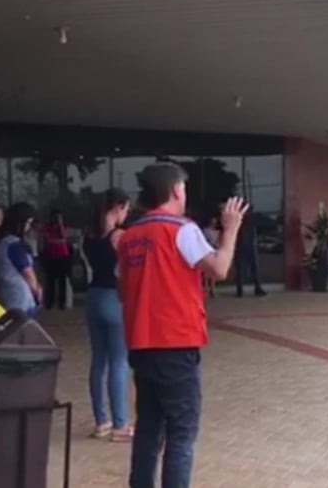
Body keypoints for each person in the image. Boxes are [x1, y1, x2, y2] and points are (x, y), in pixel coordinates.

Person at [117, 162, 248, 488]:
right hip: (175, 344)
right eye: (184, 189)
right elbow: (218, 269)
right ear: (176, 190)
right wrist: (230, 231)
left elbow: (124, 288)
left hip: (141, 345)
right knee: (181, 431)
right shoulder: (181, 230)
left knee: (148, 427)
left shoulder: (130, 237)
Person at [82, 188, 133, 442]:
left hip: (93, 297)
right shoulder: (119, 236)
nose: (127, 213)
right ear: (118, 207)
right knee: (119, 362)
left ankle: (102, 421)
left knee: (99, 361)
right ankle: (121, 424)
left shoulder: (89, 236)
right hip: (115, 298)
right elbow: (127, 271)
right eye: (126, 208)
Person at [0, 202, 42, 317]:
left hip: (8, 298)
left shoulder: (2, 242)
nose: (28, 227)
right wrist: (37, 290)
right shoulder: (13, 244)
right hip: (21, 300)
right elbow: (28, 273)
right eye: (28, 223)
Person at [40, 208, 72, 310]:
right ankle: (49, 303)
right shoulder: (47, 227)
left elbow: (64, 237)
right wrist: (58, 241)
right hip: (51, 256)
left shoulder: (64, 227)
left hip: (63, 256)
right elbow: (47, 240)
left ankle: (62, 304)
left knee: (62, 281)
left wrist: (61, 224)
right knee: (51, 281)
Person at [234, 209, 266, 297]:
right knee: (243, 269)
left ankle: (254, 288)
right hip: (243, 246)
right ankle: (242, 289)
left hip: (246, 246)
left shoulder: (248, 220)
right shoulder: (243, 220)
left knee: (249, 268)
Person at [202, 214, 220, 298]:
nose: (214, 222)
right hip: (207, 251)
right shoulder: (205, 231)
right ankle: (206, 289)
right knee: (206, 273)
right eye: (213, 220)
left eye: (215, 221)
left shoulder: (217, 232)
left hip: (214, 251)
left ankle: (212, 289)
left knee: (212, 273)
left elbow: (219, 241)